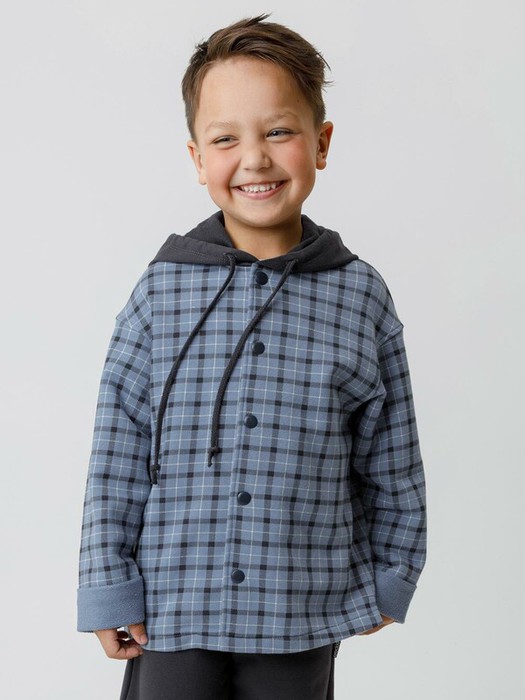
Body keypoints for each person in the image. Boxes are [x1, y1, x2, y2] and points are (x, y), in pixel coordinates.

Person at [76, 13, 427, 700]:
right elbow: (117, 446)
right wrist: (106, 585)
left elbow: (392, 454)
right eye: (225, 138)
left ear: (321, 143)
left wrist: (394, 574)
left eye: (279, 132)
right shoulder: (160, 290)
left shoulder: (360, 294)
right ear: (196, 158)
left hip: (301, 604)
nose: (255, 159)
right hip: (172, 607)